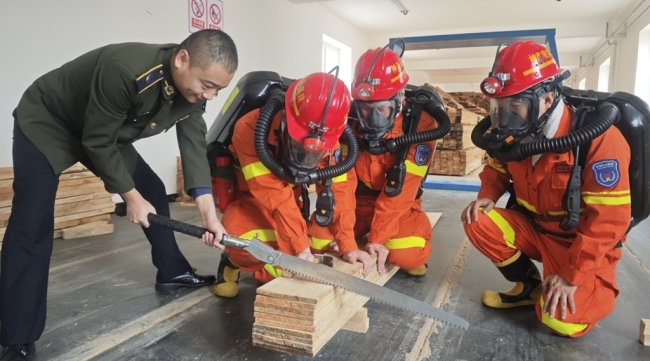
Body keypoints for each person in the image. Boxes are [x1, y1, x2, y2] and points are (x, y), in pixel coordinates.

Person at [0, 29, 237, 360]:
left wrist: (210, 216)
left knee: (152, 189)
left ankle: (172, 273)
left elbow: (194, 147)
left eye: (219, 89)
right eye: (207, 85)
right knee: (32, 221)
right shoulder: (126, 69)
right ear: (182, 59)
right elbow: (97, 141)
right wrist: (130, 197)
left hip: (100, 129)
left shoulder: (192, 94)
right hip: (48, 121)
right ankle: (16, 335)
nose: (211, 95)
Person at [461, 40, 631, 337]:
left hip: (578, 246)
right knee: (478, 219)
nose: (505, 117)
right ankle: (529, 287)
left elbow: (608, 222)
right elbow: (497, 166)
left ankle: (574, 288)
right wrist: (488, 195)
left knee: (559, 320)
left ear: (548, 98)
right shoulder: (518, 133)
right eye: (499, 106)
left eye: (515, 104)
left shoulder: (599, 138)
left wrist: (571, 275)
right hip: (536, 231)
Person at [213, 71, 373, 298]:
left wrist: (348, 245)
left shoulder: (330, 137)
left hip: (294, 201)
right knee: (247, 244)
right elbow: (273, 194)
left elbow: (340, 193)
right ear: (287, 118)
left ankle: (277, 265)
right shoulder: (249, 129)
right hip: (251, 199)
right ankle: (230, 260)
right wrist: (300, 248)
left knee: (320, 245)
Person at [342, 45, 448, 277]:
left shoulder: (421, 124)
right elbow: (342, 186)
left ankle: (405, 243)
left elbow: (403, 190)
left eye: (381, 108)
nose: (372, 118)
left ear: (400, 96)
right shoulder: (348, 121)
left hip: (400, 206)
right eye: (365, 109)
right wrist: (346, 241)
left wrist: (377, 238)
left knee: (408, 255)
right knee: (318, 241)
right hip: (357, 203)